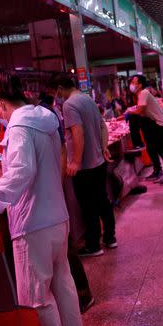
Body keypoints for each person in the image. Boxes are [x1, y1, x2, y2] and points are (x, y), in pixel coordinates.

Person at [0, 72, 84, 326]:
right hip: (56, 217)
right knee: (63, 285)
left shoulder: (19, 125)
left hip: (33, 221)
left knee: (36, 297)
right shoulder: (45, 117)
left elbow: (22, 169)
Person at [37, 80, 96, 312]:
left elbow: (73, 137)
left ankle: (82, 294)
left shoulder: (63, 108)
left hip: (52, 196)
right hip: (59, 188)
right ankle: (80, 295)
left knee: (65, 248)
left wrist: (76, 162)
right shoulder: (84, 99)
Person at [56, 76, 117, 257]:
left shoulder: (69, 105)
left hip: (85, 167)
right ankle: (110, 237)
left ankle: (93, 245)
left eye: (55, 91)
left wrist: (75, 161)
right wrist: (104, 147)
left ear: (60, 87)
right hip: (98, 162)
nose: (56, 96)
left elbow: (77, 132)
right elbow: (102, 126)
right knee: (103, 200)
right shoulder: (87, 99)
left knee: (88, 206)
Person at [127, 74, 163, 185]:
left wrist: (129, 112)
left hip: (159, 125)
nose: (131, 85)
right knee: (151, 149)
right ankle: (158, 171)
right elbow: (142, 112)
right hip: (155, 125)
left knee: (162, 152)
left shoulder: (144, 93)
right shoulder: (141, 94)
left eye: (134, 82)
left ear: (140, 85)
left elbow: (140, 111)